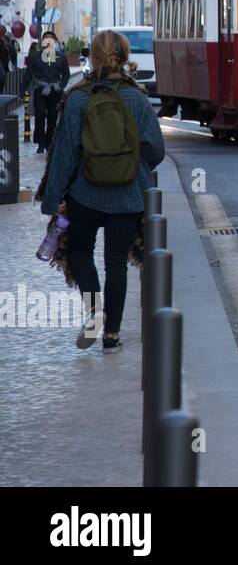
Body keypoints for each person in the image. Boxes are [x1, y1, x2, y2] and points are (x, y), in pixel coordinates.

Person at [40, 29, 165, 353]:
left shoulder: (78, 97)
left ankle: (94, 313)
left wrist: (53, 198)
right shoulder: (136, 98)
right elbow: (156, 151)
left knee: (81, 252)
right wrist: (131, 161)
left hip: (85, 193)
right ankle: (111, 334)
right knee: (116, 263)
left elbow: (64, 152)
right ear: (123, 57)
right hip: (127, 195)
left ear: (92, 58)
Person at [21, 29, 70, 154]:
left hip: (55, 91)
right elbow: (28, 74)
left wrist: (61, 85)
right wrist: (22, 90)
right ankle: (40, 143)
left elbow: (66, 75)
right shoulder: (35, 57)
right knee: (40, 115)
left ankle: (49, 142)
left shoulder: (62, 58)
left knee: (53, 118)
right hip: (40, 91)